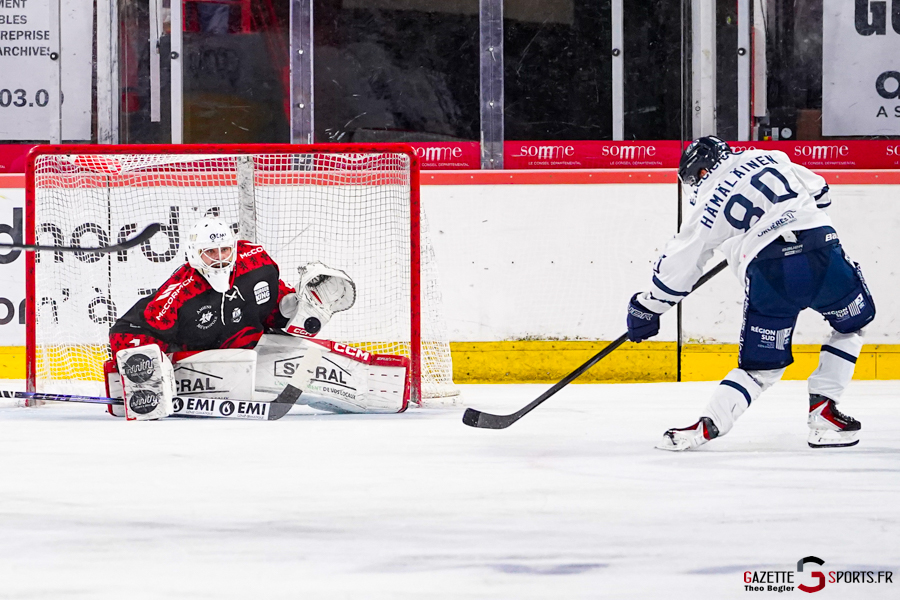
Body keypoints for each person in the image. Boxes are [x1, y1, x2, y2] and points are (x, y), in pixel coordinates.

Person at [626, 136, 875, 451]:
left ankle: (708, 425)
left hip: (770, 272)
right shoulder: (767, 155)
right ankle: (824, 412)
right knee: (851, 325)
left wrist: (648, 308)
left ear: (701, 172)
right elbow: (821, 192)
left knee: (761, 368)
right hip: (822, 252)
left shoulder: (708, 202)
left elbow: (680, 265)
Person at [107, 216, 408, 419]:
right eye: (211, 252)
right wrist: (144, 363)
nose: (221, 257)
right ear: (194, 253)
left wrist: (294, 308)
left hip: (253, 351)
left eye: (226, 249)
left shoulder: (257, 264)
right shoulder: (178, 294)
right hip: (202, 364)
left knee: (314, 358)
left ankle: (376, 391)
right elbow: (127, 329)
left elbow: (273, 307)